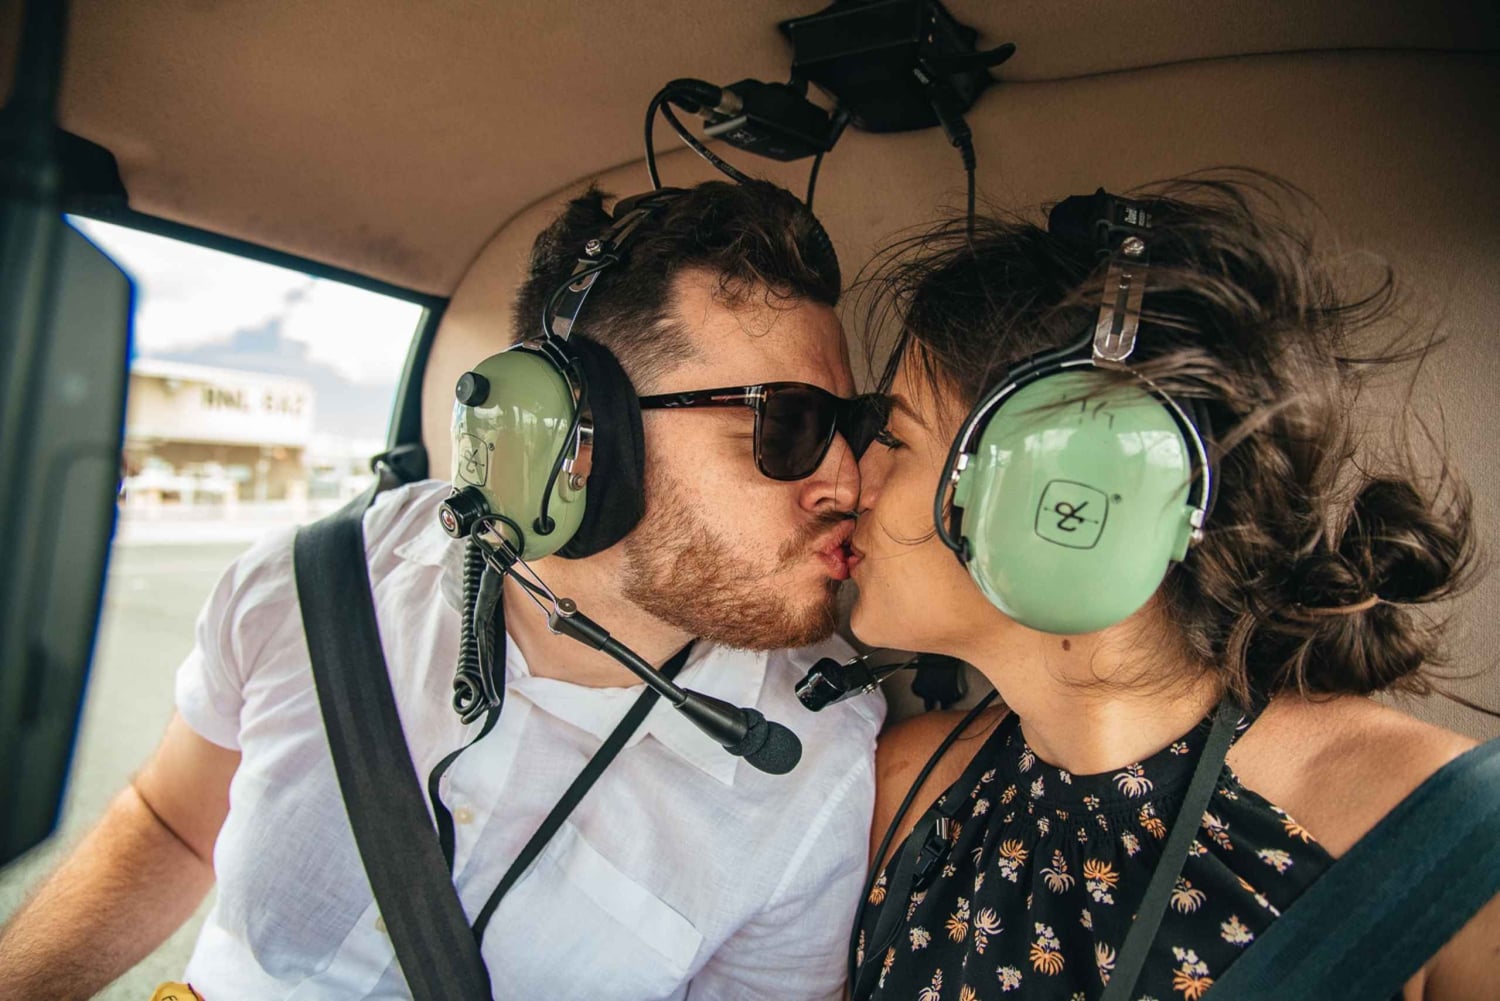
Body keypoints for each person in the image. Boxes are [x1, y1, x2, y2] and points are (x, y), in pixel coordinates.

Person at [0, 180, 885, 999]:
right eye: (790, 423)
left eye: (849, 426)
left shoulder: (821, 766)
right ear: (575, 436)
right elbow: (171, 822)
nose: (850, 481)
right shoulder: (319, 579)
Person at [845, 176, 1498, 999]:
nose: (849, 481)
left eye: (894, 441)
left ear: (1067, 487)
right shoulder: (905, 791)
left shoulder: (1458, 853)